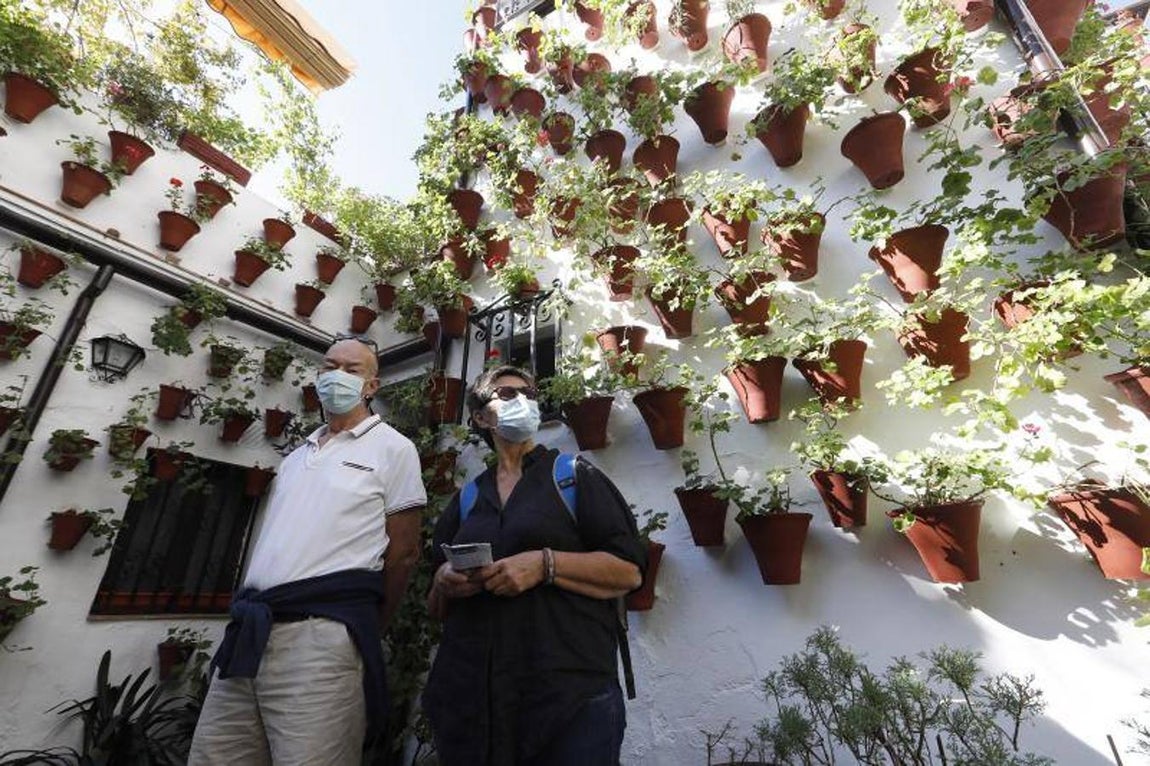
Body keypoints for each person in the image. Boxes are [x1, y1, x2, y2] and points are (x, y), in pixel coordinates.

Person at [188, 336, 427, 765]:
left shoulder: (394, 449)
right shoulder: (296, 456)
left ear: (371, 386)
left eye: (351, 370)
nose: (336, 375)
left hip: (322, 638)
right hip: (250, 631)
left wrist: (365, 626)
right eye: (329, 366)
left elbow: (405, 552)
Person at [422, 365, 646, 766]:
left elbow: (628, 571)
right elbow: (434, 606)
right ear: (479, 417)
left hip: (567, 701)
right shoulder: (469, 497)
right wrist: (444, 581)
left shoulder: (573, 476)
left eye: (529, 394)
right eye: (507, 395)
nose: (523, 401)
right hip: (476, 705)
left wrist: (545, 564)